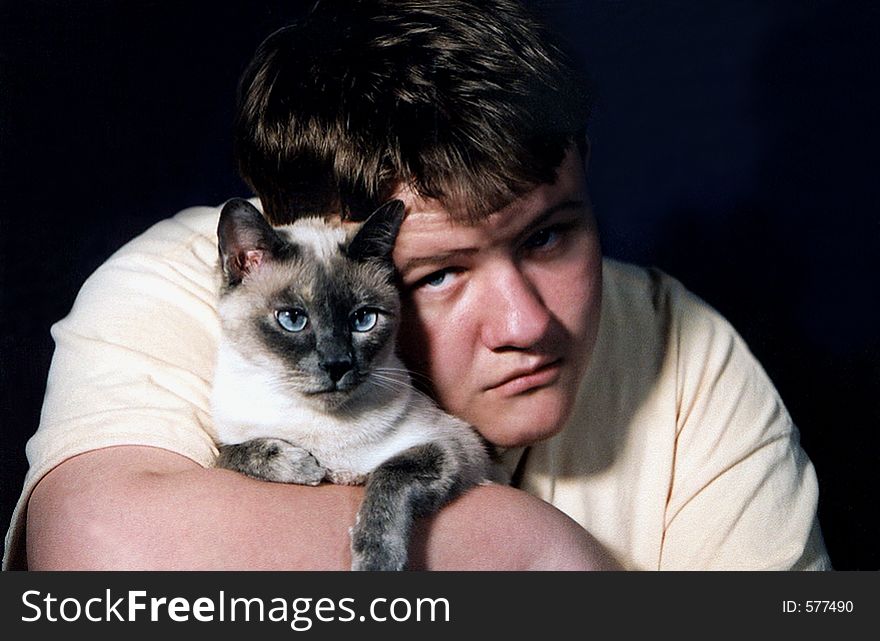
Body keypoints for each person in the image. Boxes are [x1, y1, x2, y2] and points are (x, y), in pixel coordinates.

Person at [5, 0, 829, 570]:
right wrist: (532, 551)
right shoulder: (194, 290)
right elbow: (100, 561)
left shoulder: (684, 344)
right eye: (437, 272)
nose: (524, 322)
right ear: (319, 241)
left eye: (548, 234)